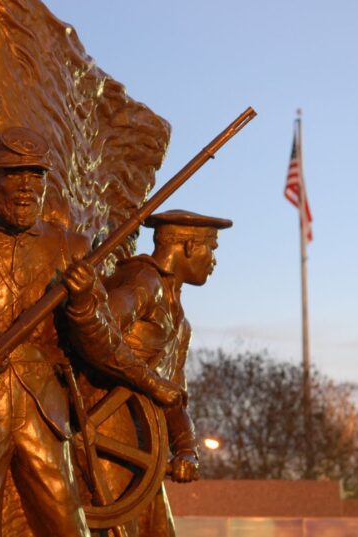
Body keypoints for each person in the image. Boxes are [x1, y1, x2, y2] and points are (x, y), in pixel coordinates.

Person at [0, 127, 184, 537]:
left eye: (35, 176)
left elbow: (98, 343)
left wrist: (84, 302)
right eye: (13, 174)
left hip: (45, 405)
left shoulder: (69, 248)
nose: (25, 188)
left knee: (66, 523)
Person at [101, 209, 232, 536]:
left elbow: (175, 397)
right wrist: (149, 381)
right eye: (211, 249)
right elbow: (96, 334)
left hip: (146, 452)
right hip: (107, 439)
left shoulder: (182, 324)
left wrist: (187, 448)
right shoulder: (142, 282)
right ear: (189, 246)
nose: (213, 260)